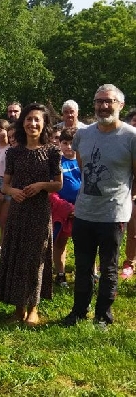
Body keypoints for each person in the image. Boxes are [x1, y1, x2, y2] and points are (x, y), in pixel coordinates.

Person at [63, 84, 136, 328]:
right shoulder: (83, 134)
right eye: (99, 101)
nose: (104, 106)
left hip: (113, 214)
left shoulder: (131, 138)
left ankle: (103, 316)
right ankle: (78, 312)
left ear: (120, 105)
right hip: (85, 212)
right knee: (83, 266)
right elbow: (83, 168)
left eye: (109, 101)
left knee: (109, 267)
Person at [0, 103, 63, 325]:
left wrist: (41, 185)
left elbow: (58, 184)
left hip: (39, 211)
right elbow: (5, 185)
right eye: (29, 119)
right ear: (23, 123)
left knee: (36, 258)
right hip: (18, 209)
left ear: (44, 125)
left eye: (37, 120)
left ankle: (34, 308)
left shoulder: (53, 152)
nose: (32, 124)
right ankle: (18, 308)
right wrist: (13, 192)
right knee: (16, 255)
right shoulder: (14, 152)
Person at [52, 128, 81, 287]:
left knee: (84, 243)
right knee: (60, 242)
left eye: (72, 143)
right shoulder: (57, 162)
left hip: (83, 209)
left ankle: (89, 271)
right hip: (62, 210)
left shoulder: (83, 160)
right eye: (65, 143)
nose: (69, 147)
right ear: (59, 143)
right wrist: (67, 208)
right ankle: (60, 273)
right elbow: (52, 187)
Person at [121, 108, 136, 279]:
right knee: (122, 230)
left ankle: (130, 262)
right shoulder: (125, 142)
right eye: (134, 120)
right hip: (126, 191)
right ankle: (112, 261)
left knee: (133, 231)